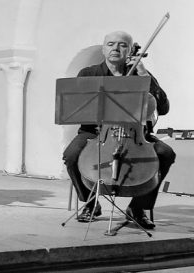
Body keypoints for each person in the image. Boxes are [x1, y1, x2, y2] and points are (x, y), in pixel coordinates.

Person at [63, 30, 175, 230]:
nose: (116, 48)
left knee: (166, 154)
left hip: (136, 134)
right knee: (71, 155)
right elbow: (77, 107)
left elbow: (163, 108)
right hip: (96, 132)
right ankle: (90, 202)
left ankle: (137, 208)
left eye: (122, 45)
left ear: (131, 50)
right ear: (104, 48)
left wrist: (144, 75)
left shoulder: (141, 74)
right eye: (111, 44)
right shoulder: (89, 74)